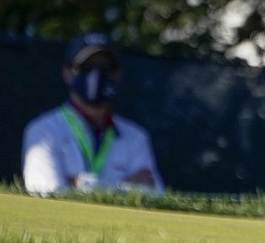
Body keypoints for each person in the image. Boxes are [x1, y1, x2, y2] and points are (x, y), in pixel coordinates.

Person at [22, 32, 165, 196]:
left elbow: (154, 194)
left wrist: (80, 184)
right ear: (67, 73)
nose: (96, 75)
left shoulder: (136, 137)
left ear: (117, 74)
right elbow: (46, 191)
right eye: (86, 68)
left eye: (105, 68)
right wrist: (126, 187)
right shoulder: (43, 131)